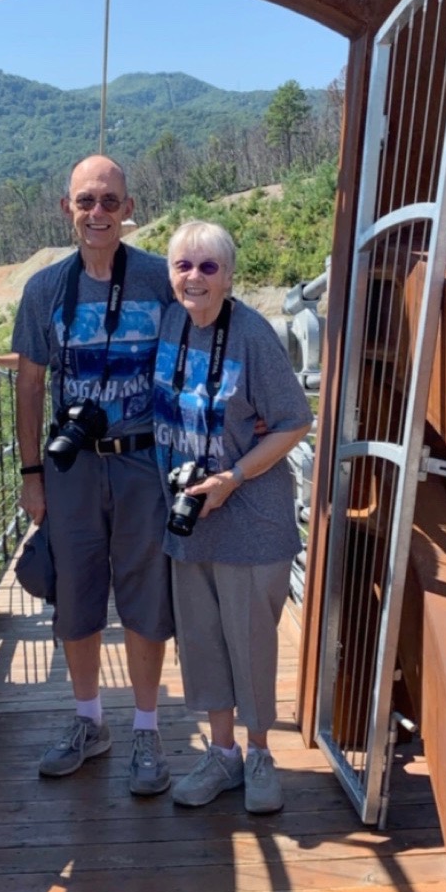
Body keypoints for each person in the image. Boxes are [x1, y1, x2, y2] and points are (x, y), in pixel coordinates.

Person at [12, 155, 174, 795]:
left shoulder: (163, 279)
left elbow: (210, 338)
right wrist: (31, 474)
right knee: (75, 594)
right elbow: (29, 386)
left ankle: (145, 727)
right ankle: (88, 721)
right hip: (73, 467)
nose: (98, 213)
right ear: (67, 209)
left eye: (110, 201)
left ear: (129, 208)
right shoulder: (45, 289)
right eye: (86, 201)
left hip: (144, 462)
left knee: (144, 594)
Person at [153, 220, 311, 813]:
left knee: (249, 642)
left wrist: (234, 477)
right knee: (203, 642)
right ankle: (222, 756)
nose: (194, 277)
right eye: (183, 266)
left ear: (229, 276)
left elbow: (295, 420)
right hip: (188, 516)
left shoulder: (251, 335)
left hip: (247, 516)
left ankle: (260, 752)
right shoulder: (170, 320)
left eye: (208, 267)